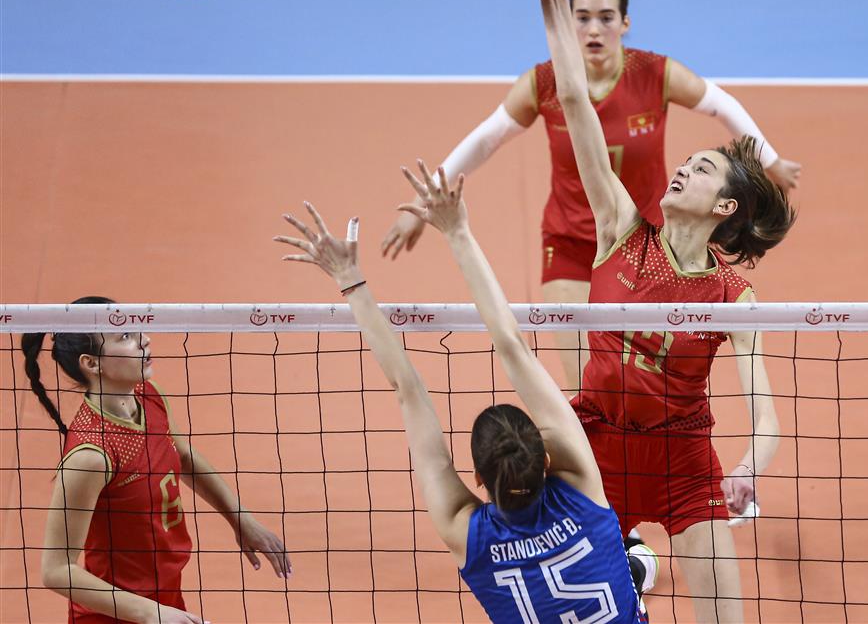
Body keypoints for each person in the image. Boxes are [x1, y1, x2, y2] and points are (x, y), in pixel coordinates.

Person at [534, 0, 794, 622]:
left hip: (684, 463)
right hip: (597, 454)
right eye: (687, 163)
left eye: (702, 170)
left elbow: (767, 415)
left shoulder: (733, 296)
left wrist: (748, 467)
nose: (682, 168)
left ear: (724, 207)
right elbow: (575, 103)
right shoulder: (620, 228)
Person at [382, 0, 801, 391]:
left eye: (606, 18)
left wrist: (770, 159)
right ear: (568, 22)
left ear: (625, 23)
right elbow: (486, 139)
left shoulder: (654, 73)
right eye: (582, 18)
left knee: (641, 378)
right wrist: (425, 204)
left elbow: (720, 104)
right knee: (585, 383)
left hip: (644, 244)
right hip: (569, 243)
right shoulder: (544, 83)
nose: (594, 29)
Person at [275, 179, 651, 623]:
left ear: (477, 478)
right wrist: (458, 231)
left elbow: (407, 391)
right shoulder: (580, 486)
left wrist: (349, 279)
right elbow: (512, 346)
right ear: (546, 460)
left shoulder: (467, 532)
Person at [24, 298, 290, 624]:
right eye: (125, 337)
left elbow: (183, 456)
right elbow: (56, 570)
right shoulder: (91, 456)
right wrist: (153, 614)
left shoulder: (149, 395)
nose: (144, 340)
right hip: (115, 614)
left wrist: (240, 518)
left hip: (165, 598)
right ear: (91, 363)